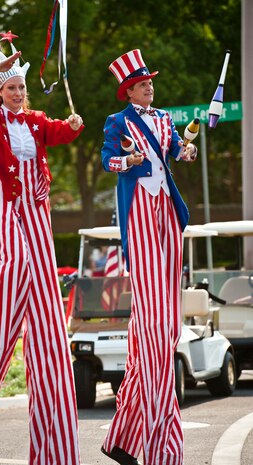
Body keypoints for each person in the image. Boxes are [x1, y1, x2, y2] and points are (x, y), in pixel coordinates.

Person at [0, 34, 84, 465]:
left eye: (21, 88)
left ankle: (54, 453)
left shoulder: (37, 119)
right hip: (3, 198)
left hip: (35, 204)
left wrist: (74, 126)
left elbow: (57, 134)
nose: (19, 94)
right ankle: (7, 289)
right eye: (11, 88)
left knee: (42, 289)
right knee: (18, 261)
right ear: (0, 91)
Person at [100, 49, 197, 465]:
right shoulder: (117, 122)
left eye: (151, 82)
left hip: (167, 210)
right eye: (143, 84)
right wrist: (129, 160)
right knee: (156, 323)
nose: (150, 87)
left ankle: (121, 440)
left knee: (160, 324)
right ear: (129, 90)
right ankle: (156, 446)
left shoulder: (163, 119)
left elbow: (177, 151)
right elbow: (109, 160)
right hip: (139, 205)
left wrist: (187, 151)